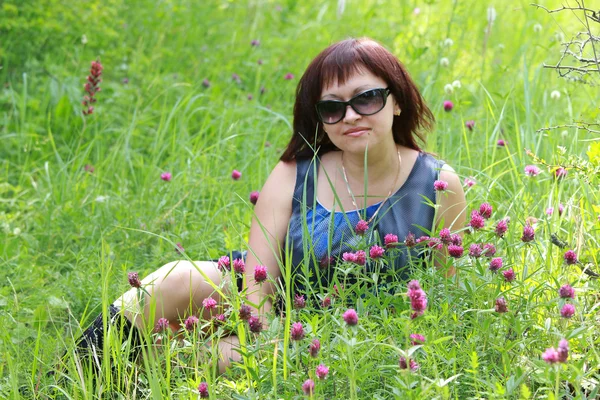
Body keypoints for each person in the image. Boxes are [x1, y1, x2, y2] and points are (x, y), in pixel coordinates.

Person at [74, 37, 466, 373]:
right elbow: (257, 286)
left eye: (366, 99)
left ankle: (143, 370)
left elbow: (449, 300)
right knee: (177, 277)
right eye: (332, 107)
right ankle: (68, 378)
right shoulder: (296, 172)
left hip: (356, 334)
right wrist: (267, 339)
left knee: (222, 356)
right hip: (277, 307)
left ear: (396, 102)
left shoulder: (437, 182)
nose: (349, 116)